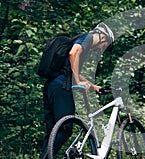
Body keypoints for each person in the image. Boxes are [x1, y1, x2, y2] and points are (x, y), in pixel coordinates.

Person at [40, 23, 114, 159]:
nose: (103, 49)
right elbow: (73, 53)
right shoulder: (88, 38)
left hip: (51, 87)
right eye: (106, 45)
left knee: (53, 133)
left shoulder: (80, 40)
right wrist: (78, 82)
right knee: (65, 129)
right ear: (103, 37)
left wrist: (91, 86)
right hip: (62, 87)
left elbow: (71, 69)